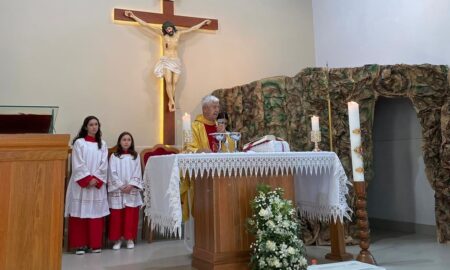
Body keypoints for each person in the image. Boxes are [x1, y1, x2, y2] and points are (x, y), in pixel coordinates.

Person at [124, 10, 211, 112]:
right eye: (167, 29)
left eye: (169, 28)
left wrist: (204, 22)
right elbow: (146, 25)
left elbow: (193, 29)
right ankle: (172, 100)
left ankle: (171, 101)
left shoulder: (178, 34)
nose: (169, 30)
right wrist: (133, 16)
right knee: (168, 81)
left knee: (175, 81)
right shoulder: (163, 35)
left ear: (172, 27)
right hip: (166, 60)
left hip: (176, 61)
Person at [64, 116, 109, 255]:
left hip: (96, 185)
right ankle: (79, 244)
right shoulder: (79, 143)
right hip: (81, 184)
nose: (94, 127)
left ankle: (95, 244)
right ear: (85, 127)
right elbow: (78, 163)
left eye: (96, 124)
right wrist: (87, 179)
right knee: (80, 213)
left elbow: (104, 165)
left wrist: (95, 179)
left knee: (95, 213)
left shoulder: (103, 144)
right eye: (91, 125)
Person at [107, 132, 143, 250]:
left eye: (129, 140)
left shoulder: (135, 156)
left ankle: (129, 238)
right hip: (118, 190)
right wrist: (121, 186)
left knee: (130, 215)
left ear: (131, 142)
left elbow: (138, 171)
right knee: (117, 216)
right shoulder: (114, 156)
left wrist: (131, 185)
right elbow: (112, 173)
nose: (126, 142)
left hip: (131, 190)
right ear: (120, 142)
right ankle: (117, 239)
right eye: (124, 139)